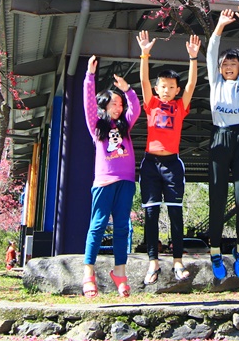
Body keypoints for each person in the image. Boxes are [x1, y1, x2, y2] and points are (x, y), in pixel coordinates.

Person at [136, 30, 200, 285]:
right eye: (163, 86)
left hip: (173, 164)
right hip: (150, 164)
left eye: (171, 87)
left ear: (176, 90)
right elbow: (142, 81)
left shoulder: (179, 106)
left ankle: (177, 261)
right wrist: (144, 54)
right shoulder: (151, 104)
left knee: (175, 213)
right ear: (157, 88)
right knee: (150, 214)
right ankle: (153, 262)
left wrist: (193, 58)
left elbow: (193, 85)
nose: (166, 90)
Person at [81, 55, 141, 297]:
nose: (119, 107)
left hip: (126, 182)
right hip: (105, 182)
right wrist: (90, 76)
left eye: (120, 104)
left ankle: (120, 272)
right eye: (115, 103)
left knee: (122, 228)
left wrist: (127, 90)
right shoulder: (97, 127)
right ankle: (88, 273)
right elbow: (87, 103)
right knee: (97, 226)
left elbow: (135, 108)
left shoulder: (125, 125)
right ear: (105, 105)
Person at [206, 4, 239, 279]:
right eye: (225, 65)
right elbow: (212, 52)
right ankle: (214, 251)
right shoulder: (215, 81)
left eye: (233, 64)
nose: (229, 68)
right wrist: (220, 26)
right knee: (217, 195)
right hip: (219, 136)